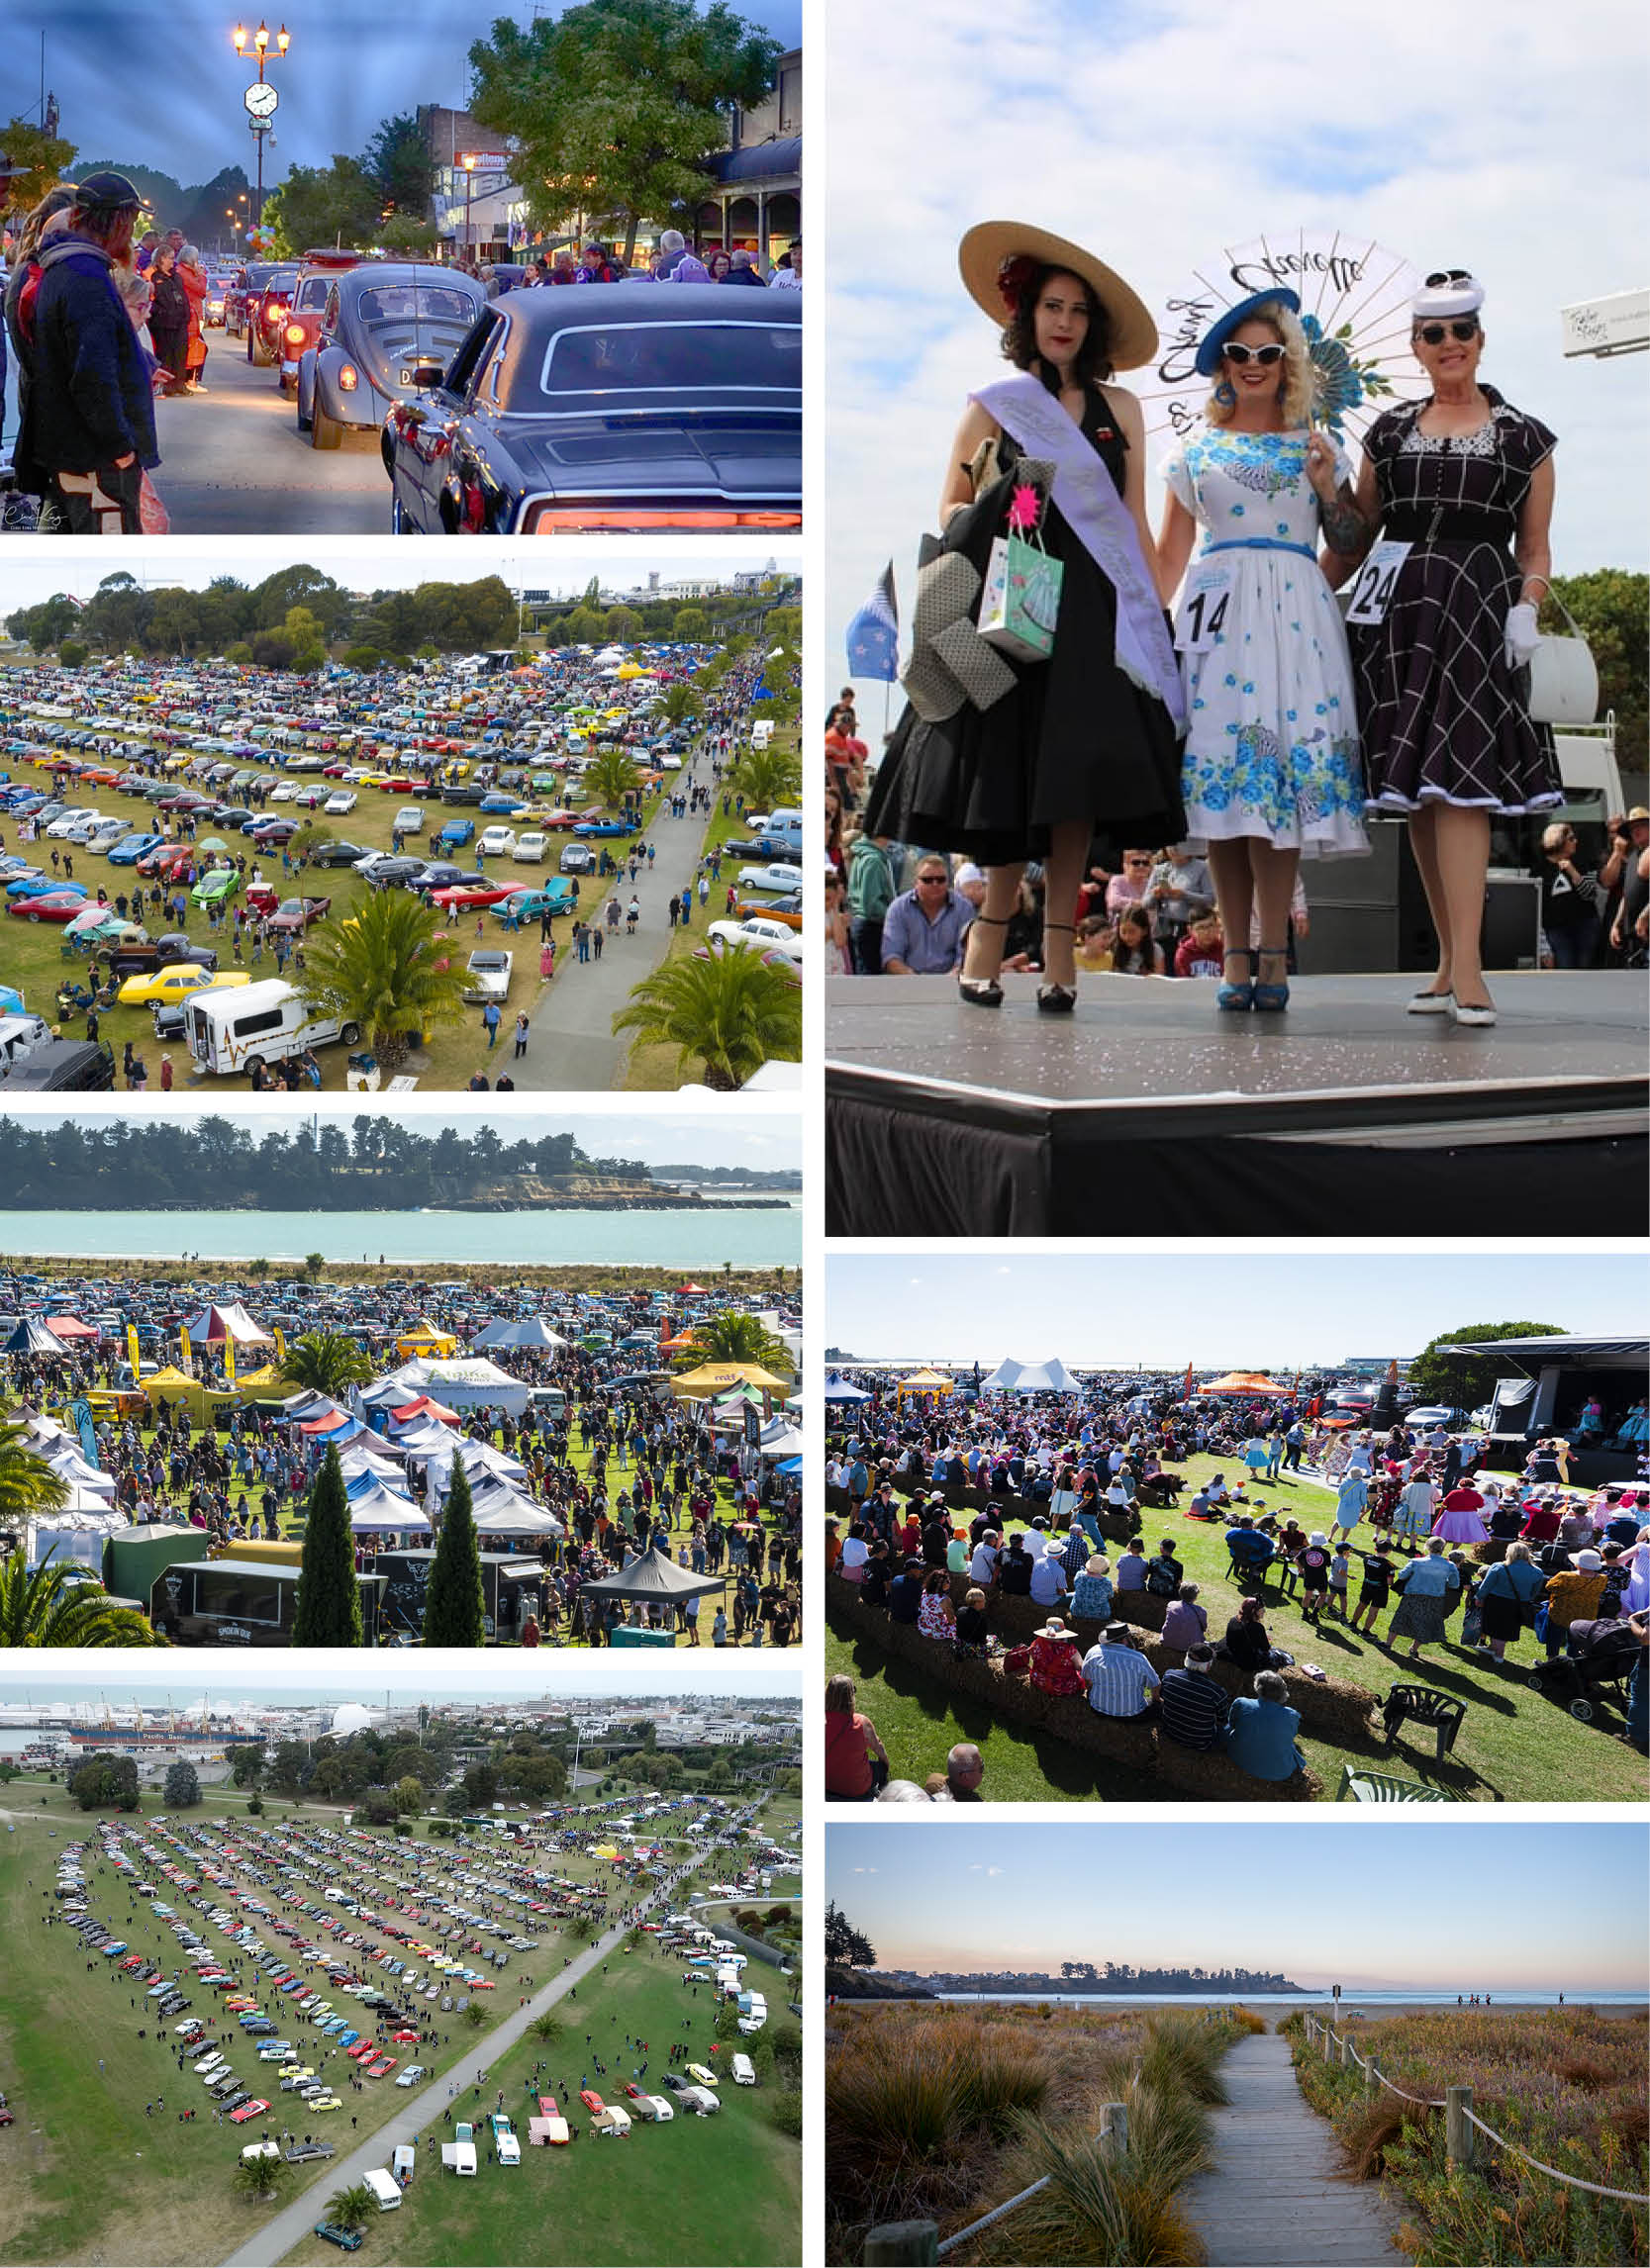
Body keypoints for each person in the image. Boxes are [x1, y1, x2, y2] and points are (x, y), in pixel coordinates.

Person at [862, 222, 1186, 1012]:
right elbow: (948, 507)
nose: (1064, 321)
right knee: (1011, 776)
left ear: (1093, 323)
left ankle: (1057, 956)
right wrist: (1013, 499)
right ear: (1027, 316)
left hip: (1096, 612)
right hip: (1016, 605)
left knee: (1073, 783)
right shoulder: (996, 406)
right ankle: (989, 930)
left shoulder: (1121, 408)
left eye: (1077, 308)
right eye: (1050, 305)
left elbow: (1132, 518)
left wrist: (1156, 609)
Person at [1327, 270, 1561, 1025]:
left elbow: (1534, 547)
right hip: (1395, 613)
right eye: (1434, 334)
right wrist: (1321, 502)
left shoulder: (1525, 436)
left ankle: (1471, 970)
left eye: (1461, 331)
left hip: (1477, 605)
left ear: (1480, 340)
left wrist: (1526, 608)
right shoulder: (1387, 431)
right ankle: (1445, 962)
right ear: (1415, 347)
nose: (1449, 344)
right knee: (1422, 798)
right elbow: (1356, 537)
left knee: (1461, 779)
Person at [1155, 290, 1368, 1011]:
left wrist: (1324, 488)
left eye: (1267, 353)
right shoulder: (1190, 451)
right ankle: (1233, 956)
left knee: (1276, 786)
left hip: (1297, 618)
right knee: (1224, 793)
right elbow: (1165, 558)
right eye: (1238, 354)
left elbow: (1347, 545)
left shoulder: (1317, 447)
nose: (1252, 366)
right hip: (1216, 615)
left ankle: (1273, 953)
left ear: (1288, 363)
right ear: (1221, 364)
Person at [15, 172, 157, 530]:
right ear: (121, 222)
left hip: (72, 453)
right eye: (133, 220)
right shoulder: (86, 277)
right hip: (96, 462)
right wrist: (120, 448)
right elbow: (92, 375)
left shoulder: (62, 267)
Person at [878, 856, 976, 975]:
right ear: (915, 882)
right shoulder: (898, 909)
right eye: (928, 880)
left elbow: (967, 956)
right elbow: (891, 956)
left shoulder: (964, 908)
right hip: (908, 982)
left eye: (941, 879)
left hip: (953, 981)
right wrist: (918, 982)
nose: (935, 884)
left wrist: (948, 980)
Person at [1220, 1668, 1306, 1782]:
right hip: (1278, 1772)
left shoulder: (1241, 1702)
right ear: (1282, 1692)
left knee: (1225, 1729)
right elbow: (1290, 1735)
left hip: (1238, 1757)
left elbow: (1232, 1724)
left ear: (1258, 1688)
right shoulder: (1292, 1715)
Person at [1387, 1535, 1461, 1662]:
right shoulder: (1450, 1566)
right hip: (1435, 1598)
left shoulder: (1415, 1562)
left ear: (1427, 1547)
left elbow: (1402, 1575)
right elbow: (1455, 1584)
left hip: (1413, 1595)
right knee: (1425, 1623)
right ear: (1443, 1549)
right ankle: (1413, 1649)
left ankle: (1388, 1644)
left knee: (1401, 1618)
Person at [1471, 1540, 1544, 1663]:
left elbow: (1486, 1585)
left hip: (1496, 1602)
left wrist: (1479, 1597)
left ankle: (1499, 1655)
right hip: (1520, 1604)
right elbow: (1534, 1592)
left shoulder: (1499, 1567)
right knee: (1506, 1628)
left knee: (1496, 1628)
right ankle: (1492, 1648)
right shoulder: (1537, 1572)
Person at [825, 1673, 888, 1800]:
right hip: (856, 1788)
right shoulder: (861, 1722)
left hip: (827, 1783)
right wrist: (886, 1764)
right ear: (850, 1696)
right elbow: (878, 1748)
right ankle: (880, 1791)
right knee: (879, 1767)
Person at [1080, 1622, 1160, 1718]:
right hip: (1133, 1714)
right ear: (1124, 1639)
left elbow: (1086, 1680)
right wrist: (1156, 1699)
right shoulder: (1139, 1658)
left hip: (1098, 1709)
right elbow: (1155, 1685)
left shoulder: (1093, 1651)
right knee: (1147, 1690)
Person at [1159, 1643, 1230, 1750]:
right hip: (1201, 1743)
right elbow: (1223, 1718)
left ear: (1186, 1659)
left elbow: (1162, 1698)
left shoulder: (1169, 1676)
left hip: (1170, 1733)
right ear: (1208, 1666)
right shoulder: (1217, 1692)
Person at [146, 243, 190, 397]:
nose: (173, 261)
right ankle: (167, 385)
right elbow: (152, 300)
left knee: (180, 353)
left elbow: (182, 296)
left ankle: (180, 384)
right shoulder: (155, 277)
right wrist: (162, 312)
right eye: (170, 258)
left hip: (180, 322)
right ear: (161, 258)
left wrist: (185, 314)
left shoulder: (176, 276)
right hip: (163, 323)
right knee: (166, 354)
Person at [1027, 1614, 1086, 1696]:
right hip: (1062, 1687)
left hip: (1039, 1681)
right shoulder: (1070, 1650)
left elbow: (1032, 1657)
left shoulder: (1036, 1643)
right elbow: (1080, 1666)